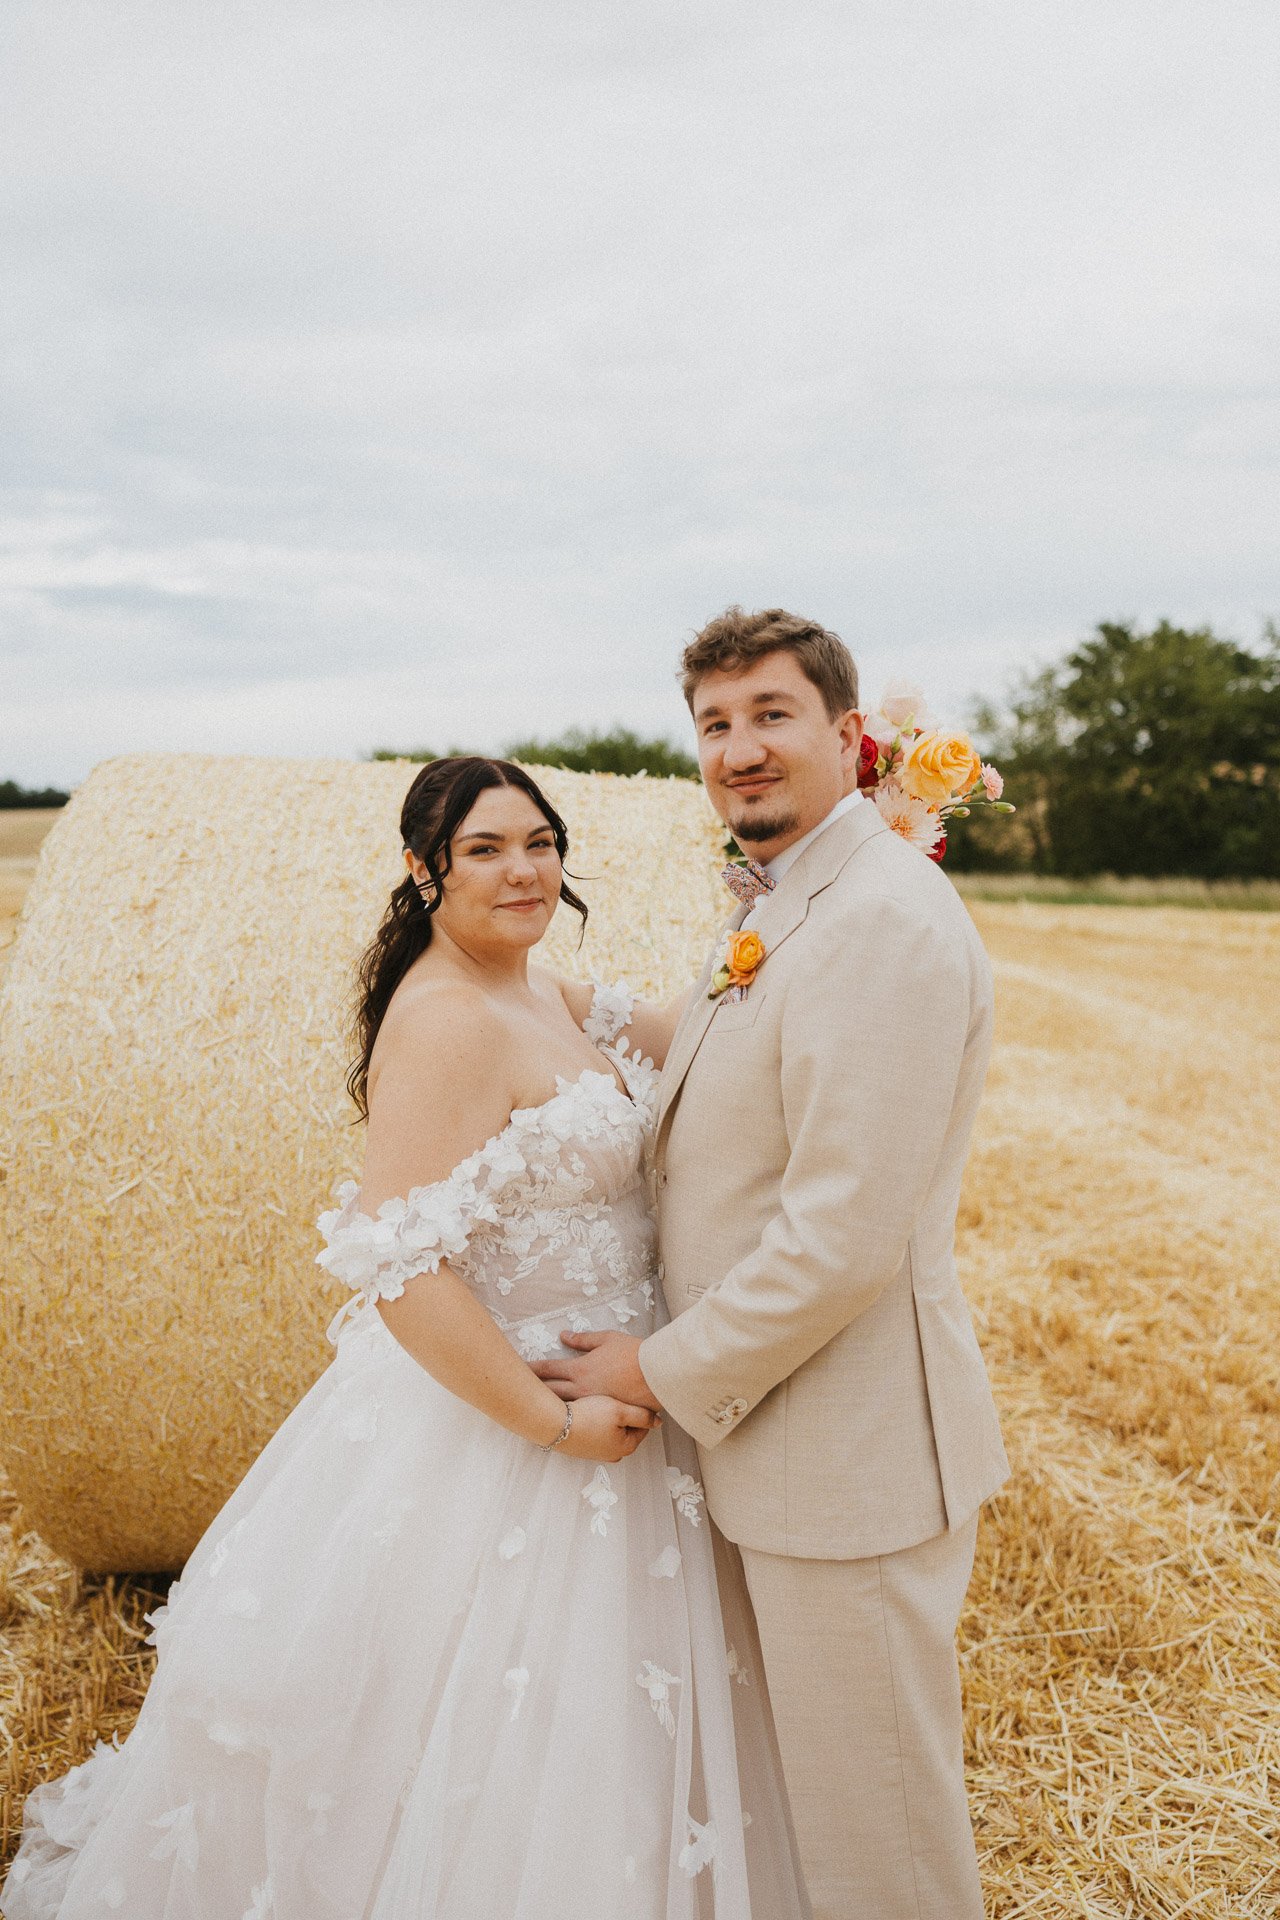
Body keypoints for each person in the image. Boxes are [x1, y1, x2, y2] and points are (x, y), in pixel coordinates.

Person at [2, 756, 811, 1920]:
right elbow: (396, 1266)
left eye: (539, 841)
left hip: (629, 1405)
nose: (523, 869)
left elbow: (691, 1025)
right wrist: (551, 1421)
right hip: (518, 1423)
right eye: (484, 849)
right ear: (421, 869)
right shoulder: (442, 1020)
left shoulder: (547, 993)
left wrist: (791, 900)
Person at [534, 608, 1010, 1920]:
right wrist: (543, 992)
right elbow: (723, 1034)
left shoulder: (886, 923)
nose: (741, 749)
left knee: (881, 1844)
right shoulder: (794, 894)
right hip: (788, 1452)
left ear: (850, 737)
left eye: (773, 715)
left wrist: (656, 1364)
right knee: (815, 1829)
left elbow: (840, 1238)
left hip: (850, 1467)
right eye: (717, 723)